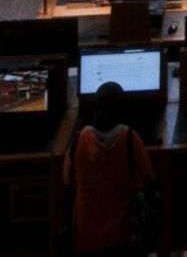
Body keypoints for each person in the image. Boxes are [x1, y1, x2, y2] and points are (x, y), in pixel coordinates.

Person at [63, 82, 154, 257]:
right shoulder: (129, 138)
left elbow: (68, 180)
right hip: (122, 236)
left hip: (85, 238)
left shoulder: (80, 139)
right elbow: (148, 175)